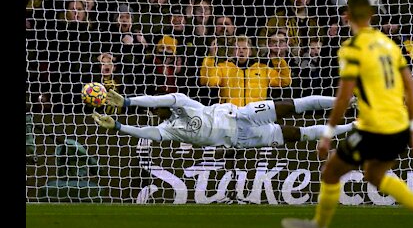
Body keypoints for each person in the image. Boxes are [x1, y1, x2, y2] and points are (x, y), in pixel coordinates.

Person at [281, 0, 413, 228]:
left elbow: (343, 97)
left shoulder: (352, 48)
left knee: (330, 172)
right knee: (374, 175)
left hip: (374, 128)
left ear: (347, 16)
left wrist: (327, 133)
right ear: (371, 15)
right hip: (399, 127)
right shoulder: (389, 44)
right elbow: (411, 86)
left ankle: (319, 225)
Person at [92, 90, 356, 149]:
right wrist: (118, 126)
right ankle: (352, 126)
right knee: (296, 134)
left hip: (240, 114)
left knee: (290, 106)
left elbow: (158, 99)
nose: (155, 109)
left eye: (155, 107)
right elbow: (147, 133)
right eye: (154, 110)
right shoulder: (169, 129)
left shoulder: (182, 101)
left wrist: (128, 102)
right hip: (241, 138)